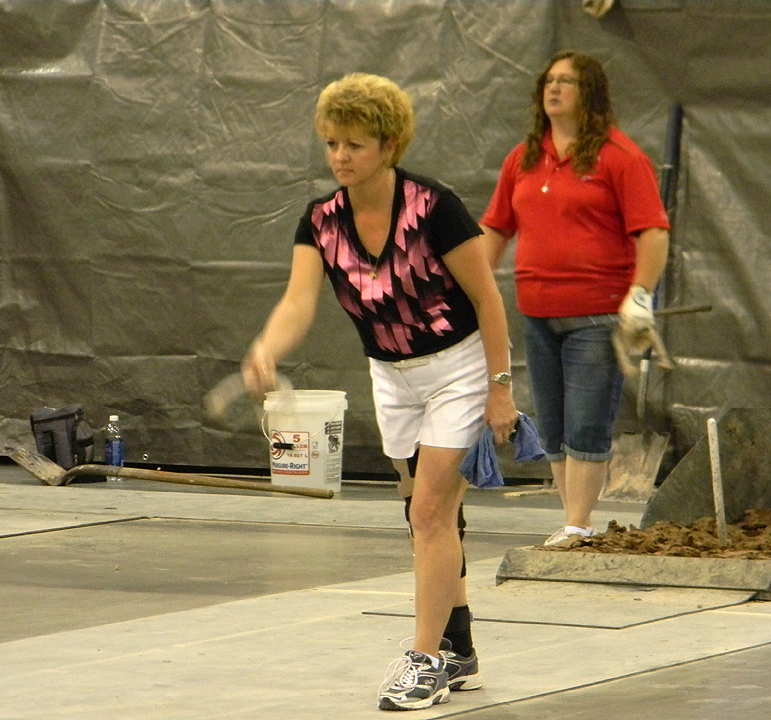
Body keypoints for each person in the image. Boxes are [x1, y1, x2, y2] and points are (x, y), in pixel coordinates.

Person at [241, 73, 517, 711]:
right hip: (390, 375)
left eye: (355, 144)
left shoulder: (434, 207)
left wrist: (499, 388)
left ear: (388, 145)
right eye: (332, 143)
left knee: (429, 514)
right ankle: (461, 644)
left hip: (458, 367)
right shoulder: (319, 220)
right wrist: (267, 348)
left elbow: (487, 299)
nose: (340, 156)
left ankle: (425, 663)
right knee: (425, 516)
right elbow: (297, 302)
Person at [479, 51, 670, 547]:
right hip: (537, 314)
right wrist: (467, 285)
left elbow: (652, 232)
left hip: (597, 316)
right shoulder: (521, 159)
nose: (555, 88)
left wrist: (639, 295)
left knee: (586, 422)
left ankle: (578, 523)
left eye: (567, 81)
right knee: (554, 425)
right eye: (550, 80)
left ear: (590, 94)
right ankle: (571, 521)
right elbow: (496, 229)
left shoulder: (620, 157)